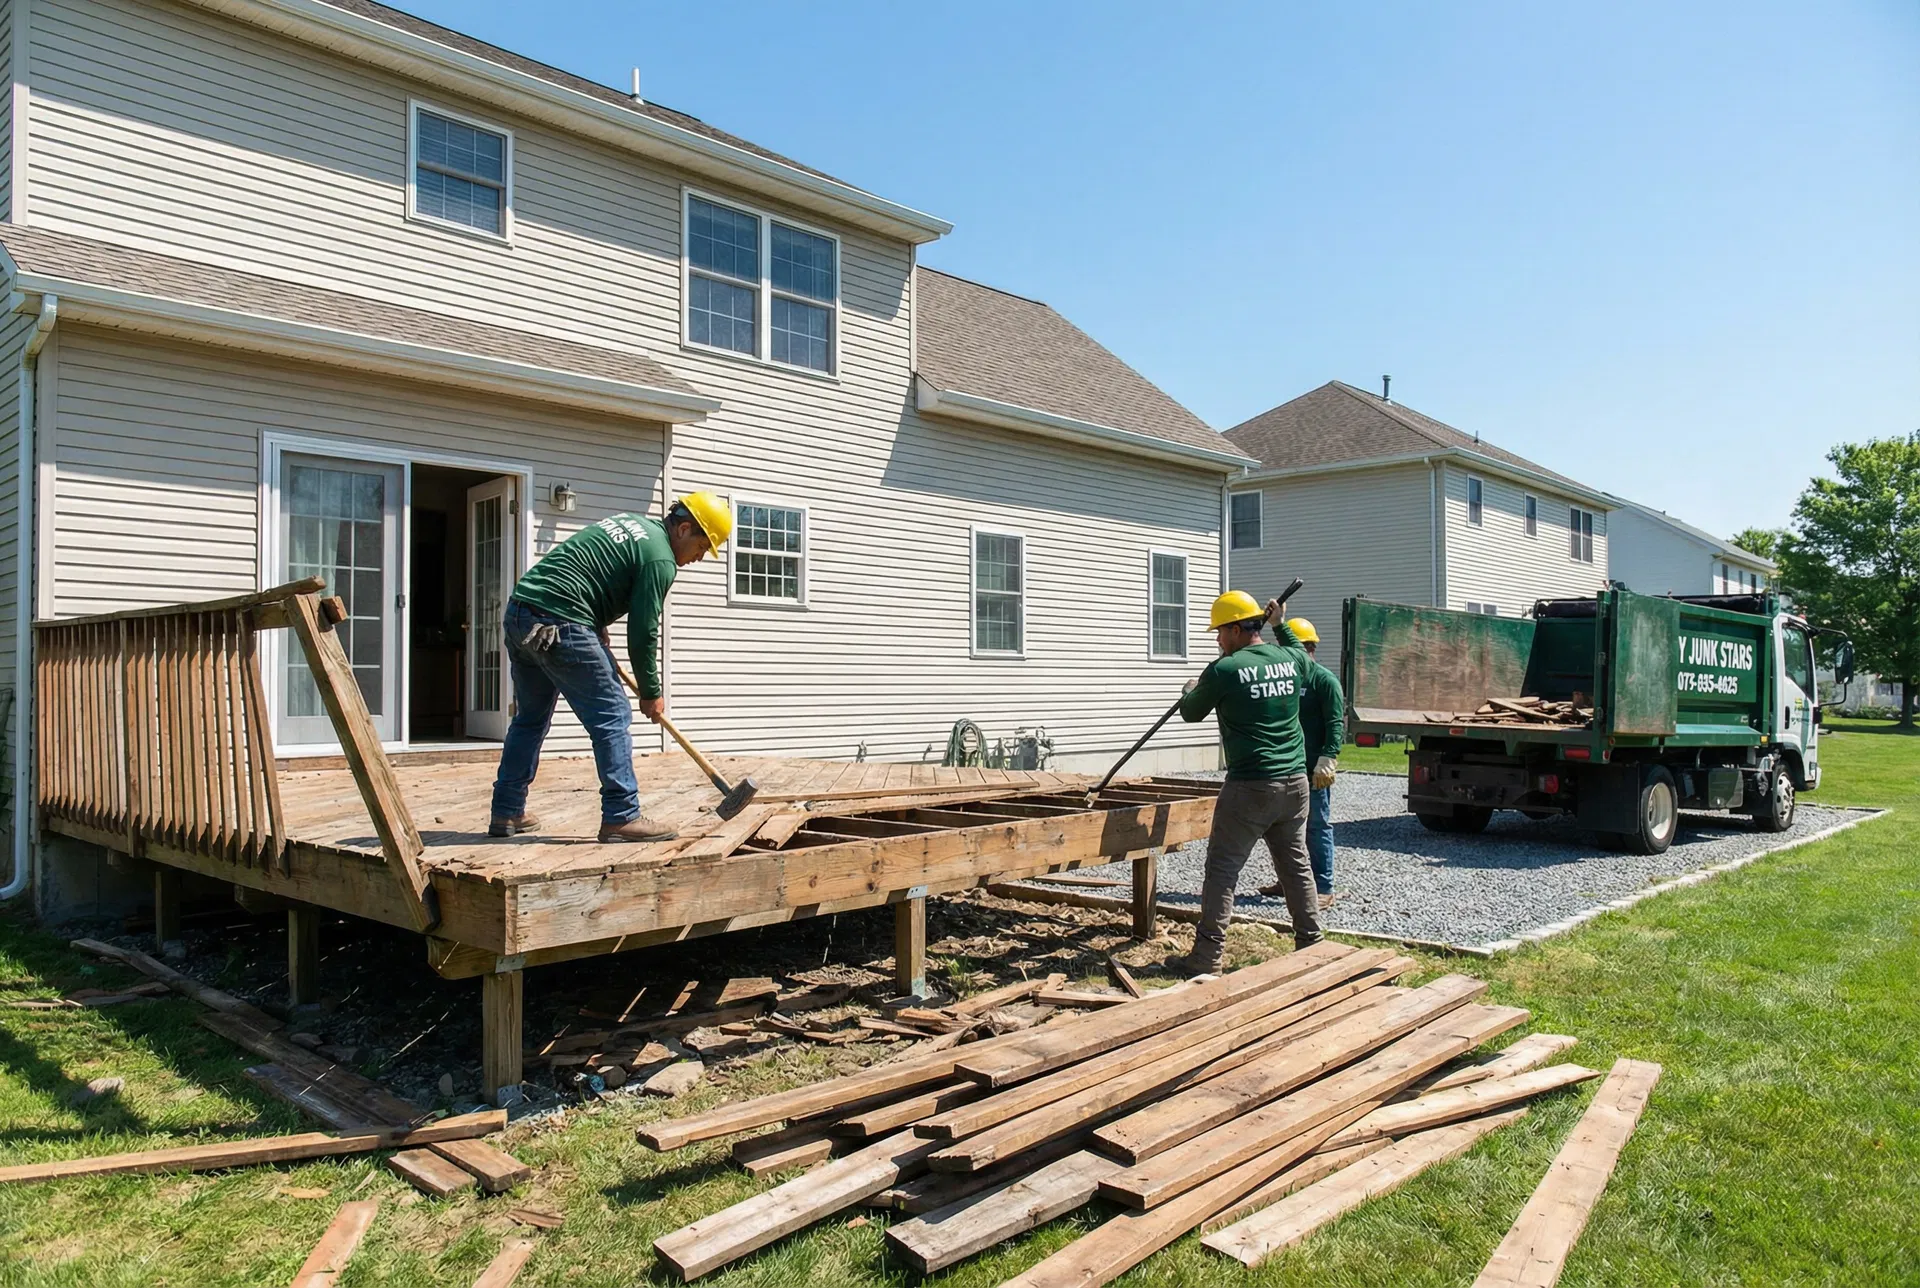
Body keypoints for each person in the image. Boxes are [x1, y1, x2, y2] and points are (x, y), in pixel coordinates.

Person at [488, 493, 732, 843]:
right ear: (683, 528)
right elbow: (643, 632)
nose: (697, 559)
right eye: (700, 547)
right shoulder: (660, 559)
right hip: (561, 621)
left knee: (530, 717)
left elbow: (589, 571)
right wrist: (651, 693)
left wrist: (596, 623)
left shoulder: (635, 525)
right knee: (613, 715)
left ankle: (507, 811)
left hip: (522, 613)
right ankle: (621, 815)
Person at [1166, 590, 1322, 976]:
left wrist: (1190, 688)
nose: (1218, 640)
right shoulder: (1290, 658)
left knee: (1222, 869)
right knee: (1296, 865)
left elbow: (1190, 713)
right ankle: (1311, 944)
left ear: (1236, 630)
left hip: (1251, 785)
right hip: (1295, 783)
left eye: (1220, 632)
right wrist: (1281, 624)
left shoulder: (1226, 670)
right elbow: (1301, 655)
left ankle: (1207, 957)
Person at [1259, 618, 1343, 909]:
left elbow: (1335, 722)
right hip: (1287, 766)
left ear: (1307, 647)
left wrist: (1328, 756)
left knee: (1317, 826)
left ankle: (1323, 887)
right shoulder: (1285, 679)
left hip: (1313, 767)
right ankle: (1288, 882)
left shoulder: (1324, 680)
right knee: (1284, 828)